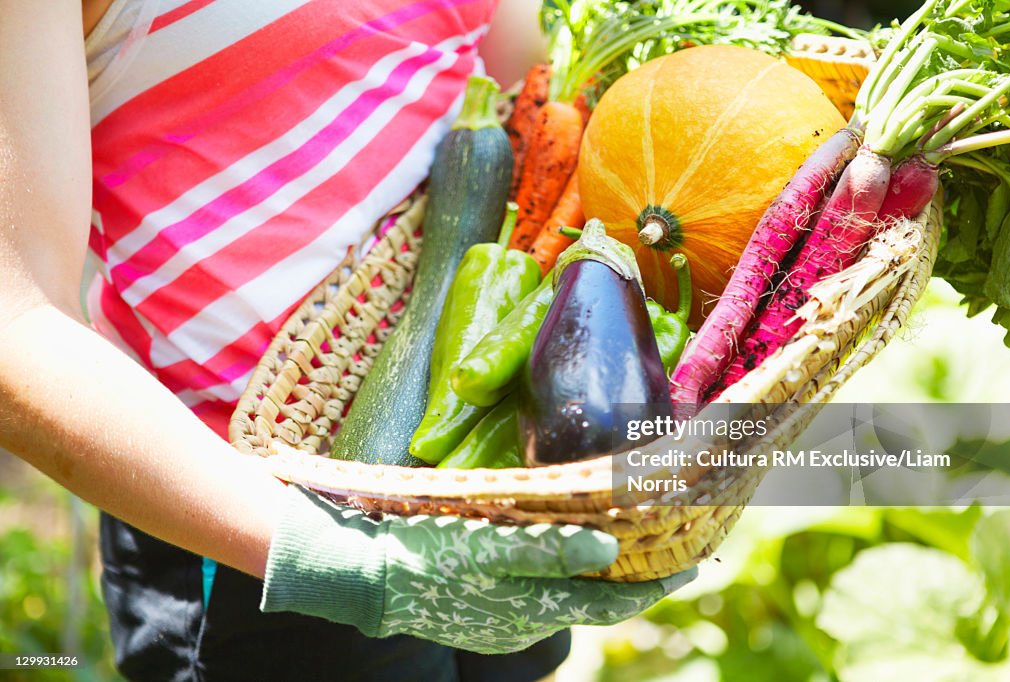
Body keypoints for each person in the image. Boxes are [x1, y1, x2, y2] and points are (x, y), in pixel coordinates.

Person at [0, 1, 695, 680]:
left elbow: (517, 68)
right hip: (254, 524)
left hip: (488, 455)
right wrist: (329, 559)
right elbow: (17, 321)